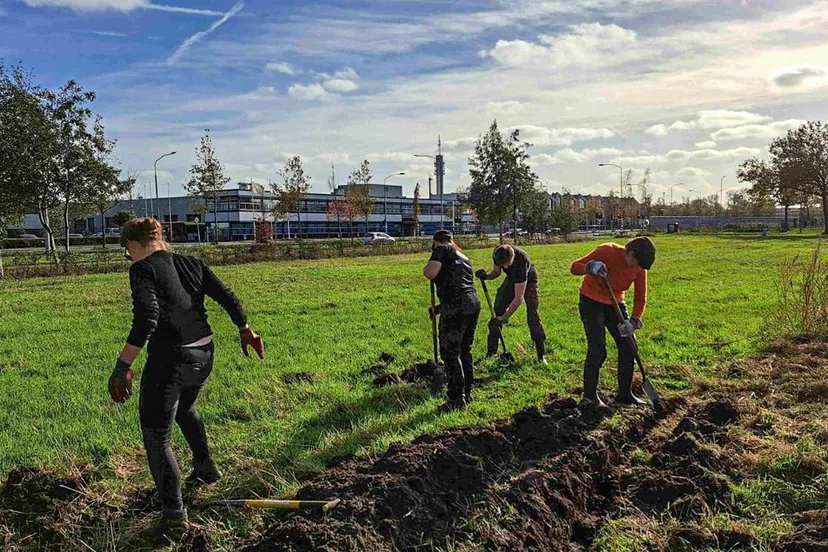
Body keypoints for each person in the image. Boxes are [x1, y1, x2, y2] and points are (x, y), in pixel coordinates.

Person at [108, 218, 264, 530]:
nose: (129, 257)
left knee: (157, 437)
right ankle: (206, 469)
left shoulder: (142, 269)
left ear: (132, 244)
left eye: (127, 251)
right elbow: (228, 296)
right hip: (204, 354)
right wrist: (245, 330)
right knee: (185, 408)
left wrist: (123, 365)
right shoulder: (192, 263)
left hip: (171, 360)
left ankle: (174, 516)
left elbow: (147, 319)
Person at [570, 237, 656, 407]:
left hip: (615, 303)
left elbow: (640, 298)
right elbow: (574, 267)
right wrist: (590, 267)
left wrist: (634, 321)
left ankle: (625, 394)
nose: (638, 268)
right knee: (598, 348)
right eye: (637, 263)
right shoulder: (607, 251)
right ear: (630, 254)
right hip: (591, 302)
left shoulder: (640, 268)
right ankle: (590, 397)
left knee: (629, 346)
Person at [423, 230, 481, 412]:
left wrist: (428, 266)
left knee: (450, 352)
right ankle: (467, 392)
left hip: (456, 306)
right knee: (464, 350)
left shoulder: (442, 249)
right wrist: (441, 307)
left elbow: (430, 273)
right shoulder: (464, 256)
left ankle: (456, 398)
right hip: (472, 302)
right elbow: (459, 285)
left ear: (435, 242)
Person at [476, 245, 547, 364]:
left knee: (533, 315)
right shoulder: (498, 253)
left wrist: (505, 317)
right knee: (497, 310)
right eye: (502, 265)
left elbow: (518, 298)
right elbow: (496, 272)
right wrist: (487, 276)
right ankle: (491, 352)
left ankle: (541, 354)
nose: (505, 267)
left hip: (529, 280)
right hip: (511, 279)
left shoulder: (521, 261)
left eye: (507, 264)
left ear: (512, 256)